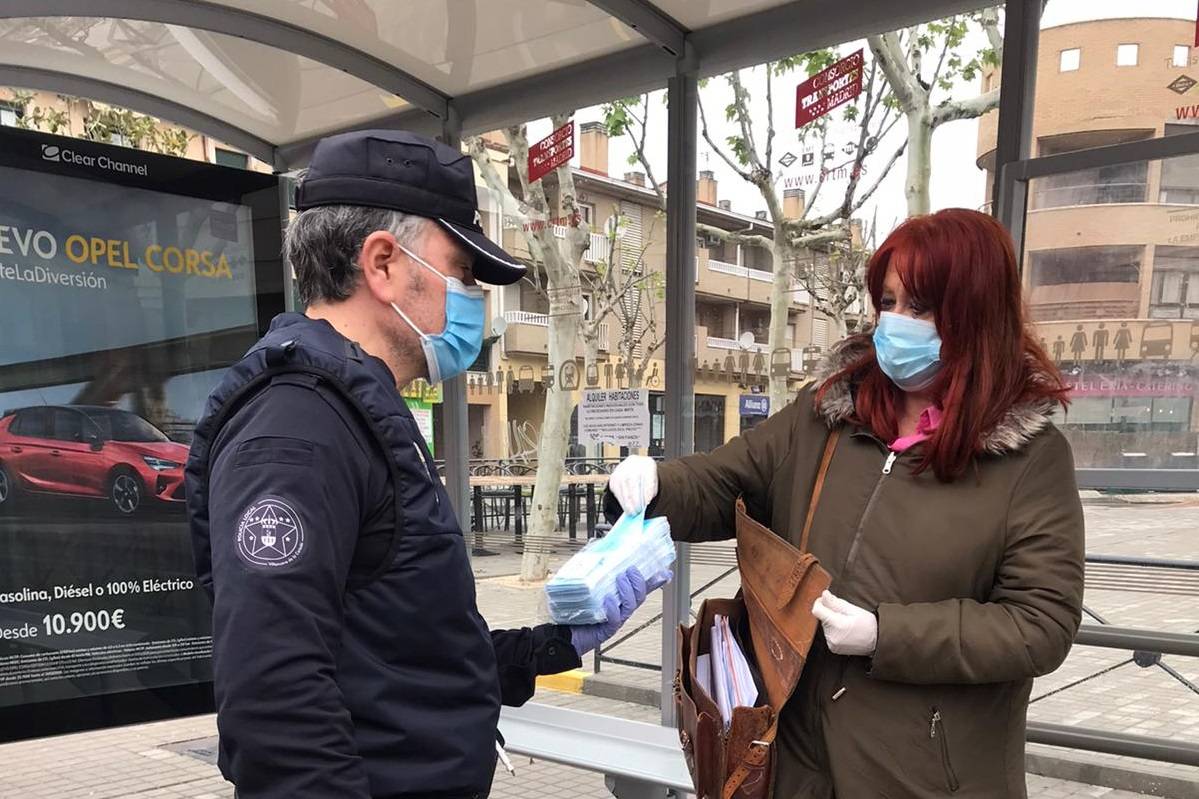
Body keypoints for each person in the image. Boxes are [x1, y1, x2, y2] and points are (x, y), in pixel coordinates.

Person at [185, 130, 664, 799]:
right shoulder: (298, 429)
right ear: (382, 263)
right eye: (462, 272)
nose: (475, 298)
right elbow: (274, 702)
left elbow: (405, 655)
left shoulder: (356, 408)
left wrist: (552, 643)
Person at [606, 208, 1085, 798]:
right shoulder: (828, 412)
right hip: (797, 758)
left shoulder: (1031, 458)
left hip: (927, 775)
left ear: (975, 316)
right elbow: (727, 477)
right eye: (887, 302)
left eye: (921, 307)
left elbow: (1040, 624)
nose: (895, 324)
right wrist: (656, 481)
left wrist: (888, 634)